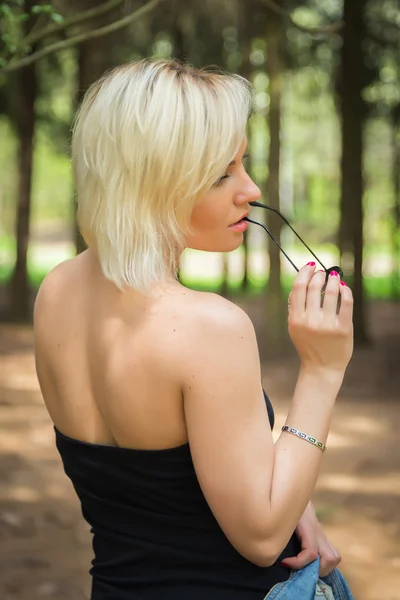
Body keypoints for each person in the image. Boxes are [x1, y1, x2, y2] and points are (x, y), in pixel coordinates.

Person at [33, 59, 354, 600]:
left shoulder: (56, 291)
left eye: (242, 164)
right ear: (151, 180)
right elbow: (262, 536)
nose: (249, 190)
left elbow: (164, 489)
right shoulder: (209, 327)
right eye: (219, 174)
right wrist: (323, 371)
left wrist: (294, 496)